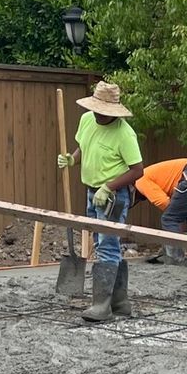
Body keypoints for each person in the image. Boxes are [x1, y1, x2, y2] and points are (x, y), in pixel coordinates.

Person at [64, 80, 148, 323]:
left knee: (108, 245)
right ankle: (120, 302)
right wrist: (72, 159)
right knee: (104, 243)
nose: (99, 115)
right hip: (91, 190)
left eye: (103, 112)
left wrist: (109, 186)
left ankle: (102, 305)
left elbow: (138, 170)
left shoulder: (125, 134)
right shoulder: (87, 120)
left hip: (114, 196)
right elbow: (83, 146)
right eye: (97, 110)